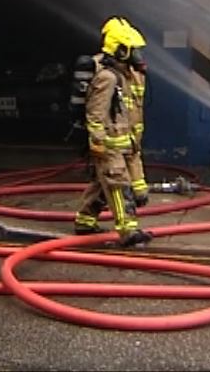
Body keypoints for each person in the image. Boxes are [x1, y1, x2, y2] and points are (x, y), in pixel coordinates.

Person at [73, 18, 152, 247]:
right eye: (133, 49)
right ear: (121, 50)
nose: (137, 54)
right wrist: (98, 142)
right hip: (108, 144)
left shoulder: (128, 75)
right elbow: (95, 114)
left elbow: (132, 110)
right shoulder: (107, 77)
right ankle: (128, 231)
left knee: (102, 183)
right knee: (118, 185)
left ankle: (85, 221)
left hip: (125, 143)